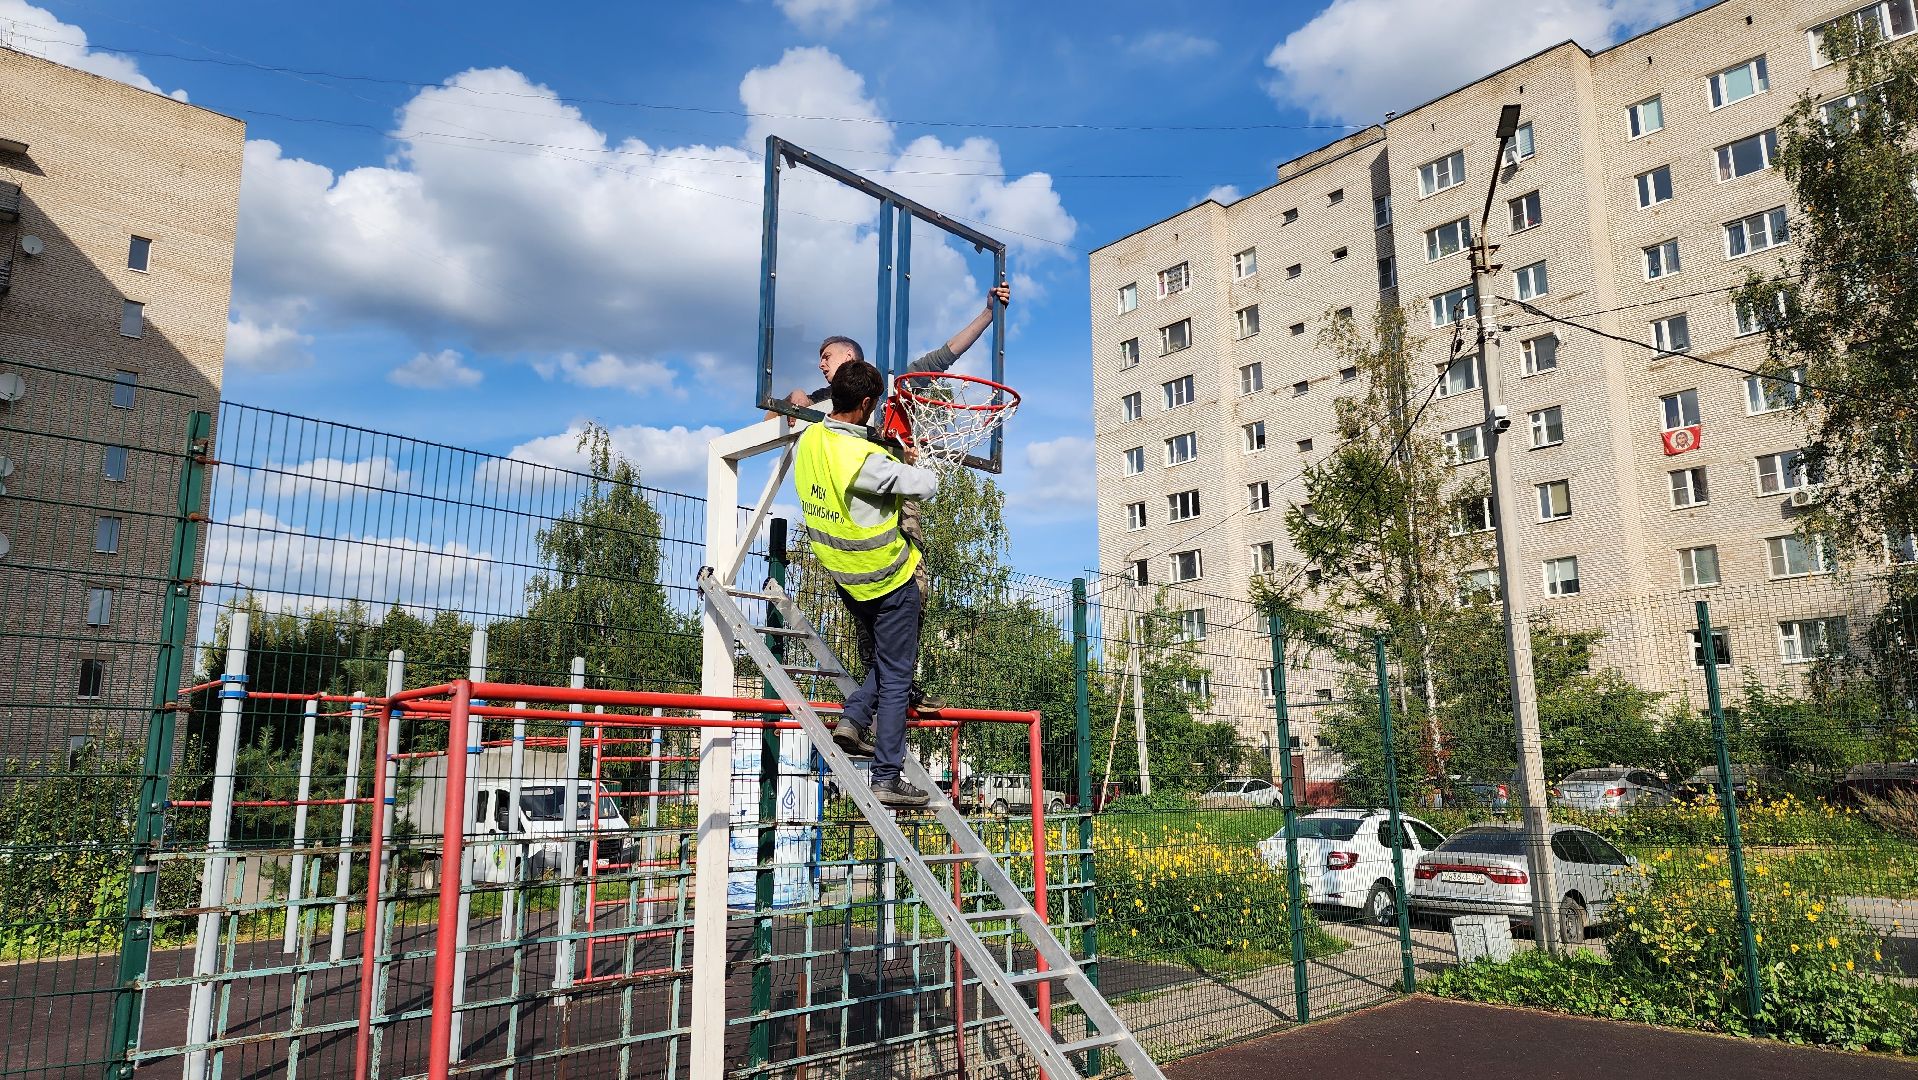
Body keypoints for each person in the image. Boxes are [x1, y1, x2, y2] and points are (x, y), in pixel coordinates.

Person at [784, 283, 1010, 713]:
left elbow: (946, 355)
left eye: (826, 357)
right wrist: (793, 400)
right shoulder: (822, 406)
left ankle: (894, 688)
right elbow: (779, 409)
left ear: (850, 358)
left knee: (910, 598)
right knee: (870, 618)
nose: (820, 366)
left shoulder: (893, 387)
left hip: (892, 508)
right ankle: (894, 688)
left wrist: (987, 315)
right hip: (849, 518)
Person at [794, 359, 938, 808]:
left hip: (845, 578)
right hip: (889, 580)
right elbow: (926, 485)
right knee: (897, 679)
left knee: (889, 664)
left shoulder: (812, 438)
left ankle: (854, 718)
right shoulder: (867, 461)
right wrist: (916, 458)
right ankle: (887, 778)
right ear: (868, 403)